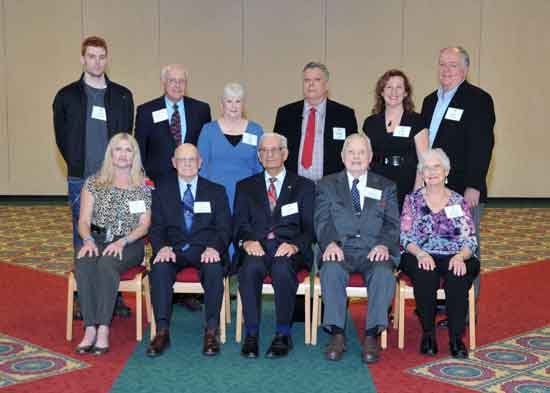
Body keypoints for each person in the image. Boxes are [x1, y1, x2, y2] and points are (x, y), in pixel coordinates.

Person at [53, 35, 135, 318]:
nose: (96, 61)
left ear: (107, 59)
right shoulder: (66, 96)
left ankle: (116, 296)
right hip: (82, 179)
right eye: (91, 56)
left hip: (117, 179)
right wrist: (80, 165)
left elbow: (127, 135)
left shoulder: (122, 95)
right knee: (84, 235)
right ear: (82, 59)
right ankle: (82, 295)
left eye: (101, 56)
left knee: (117, 232)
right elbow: (63, 139)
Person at [421, 46, 495, 325]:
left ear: (465, 70)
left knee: (466, 248)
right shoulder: (430, 101)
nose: (446, 70)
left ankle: (464, 312)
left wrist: (474, 185)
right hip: (433, 191)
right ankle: (442, 304)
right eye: (442, 64)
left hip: (464, 191)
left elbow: (482, 145)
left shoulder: (478, 99)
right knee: (437, 245)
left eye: (452, 65)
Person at [314, 133, 400, 364]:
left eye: (361, 152)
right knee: (330, 271)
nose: (356, 157)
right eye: (351, 152)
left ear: (370, 157)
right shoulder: (326, 185)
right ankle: (337, 334)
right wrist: (330, 242)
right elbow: (322, 221)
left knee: (383, 274)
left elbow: (393, 224)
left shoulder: (386, 186)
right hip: (339, 248)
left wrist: (383, 244)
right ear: (342, 157)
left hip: (374, 250)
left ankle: (372, 334)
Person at [233, 133, 315, 358]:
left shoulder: (304, 186)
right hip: (256, 247)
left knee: (281, 268)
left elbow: (310, 228)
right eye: (263, 151)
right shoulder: (245, 186)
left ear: (285, 153)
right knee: (249, 269)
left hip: (288, 249)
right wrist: (247, 241)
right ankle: (251, 334)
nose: (269, 155)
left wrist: (295, 246)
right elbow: (239, 224)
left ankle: (283, 334)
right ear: (258, 156)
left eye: (274, 150)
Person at [146, 144, 231, 357]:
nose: (187, 164)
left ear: (200, 163)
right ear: (173, 163)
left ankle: (212, 330)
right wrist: (161, 248)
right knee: (159, 269)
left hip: (205, 250)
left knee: (214, 269)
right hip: (172, 250)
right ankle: (162, 331)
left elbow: (224, 227)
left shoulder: (216, 191)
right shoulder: (161, 190)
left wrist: (214, 247)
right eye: (182, 160)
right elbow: (156, 227)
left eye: (192, 159)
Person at [74, 133, 151, 356]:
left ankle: (104, 329)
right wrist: (87, 239)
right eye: (118, 149)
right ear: (111, 153)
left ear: (134, 155)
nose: (123, 154)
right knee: (85, 261)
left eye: (128, 150)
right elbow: (84, 221)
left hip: (130, 242)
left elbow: (144, 225)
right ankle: (89, 327)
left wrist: (123, 241)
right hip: (96, 238)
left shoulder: (142, 185)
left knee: (107, 263)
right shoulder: (94, 182)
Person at [399, 148, 479, 358]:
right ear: (421, 173)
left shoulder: (458, 201)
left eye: (437, 167)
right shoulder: (412, 200)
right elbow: (405, 236)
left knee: (458, 276)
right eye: (427, 167)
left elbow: (470, 239)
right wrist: (420, 254)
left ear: (446, 171)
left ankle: (456, 338)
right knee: (426, 274)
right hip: (420, 253)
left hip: (455, 254)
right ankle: (428, 333)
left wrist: (461, 256)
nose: (432, 171)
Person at [274, 61, 358, 182]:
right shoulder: (285, 114)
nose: (311, 84)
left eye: (317, 80)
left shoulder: (344, 115)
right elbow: (277, 152)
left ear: (326, 85)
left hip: (332, 187)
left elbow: (352, 153)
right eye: (307, 80)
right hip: (293, 187)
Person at [363, 69, 428, 211]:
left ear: (406, 93)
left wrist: (416, 193)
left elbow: (424, 161)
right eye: (389, 87)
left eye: (399, 87)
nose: (394, 92)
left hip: (407, 182)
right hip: (377, 182)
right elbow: (365, 160)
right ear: (381, 92)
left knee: (404, 229)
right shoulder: (370, 123)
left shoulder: (417, 121)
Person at [135, 64, 211, 183]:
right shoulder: (146, 111)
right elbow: (139, 149)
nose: (177, 85)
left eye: (181, 81)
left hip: (192, 180)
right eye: (172, 81)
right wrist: (141, 178)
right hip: (157, 182)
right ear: (163, 82)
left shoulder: (201, 110)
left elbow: (205, 148)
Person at [197, 82, 263, 212]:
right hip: (215, 199)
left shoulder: (256, 130)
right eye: (229, 101)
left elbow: (260, 168)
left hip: (248, 199)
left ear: (243, 105)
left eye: (238, 101)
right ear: (222, 104)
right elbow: (201, 169)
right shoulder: (208, 130)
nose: (234, 106)